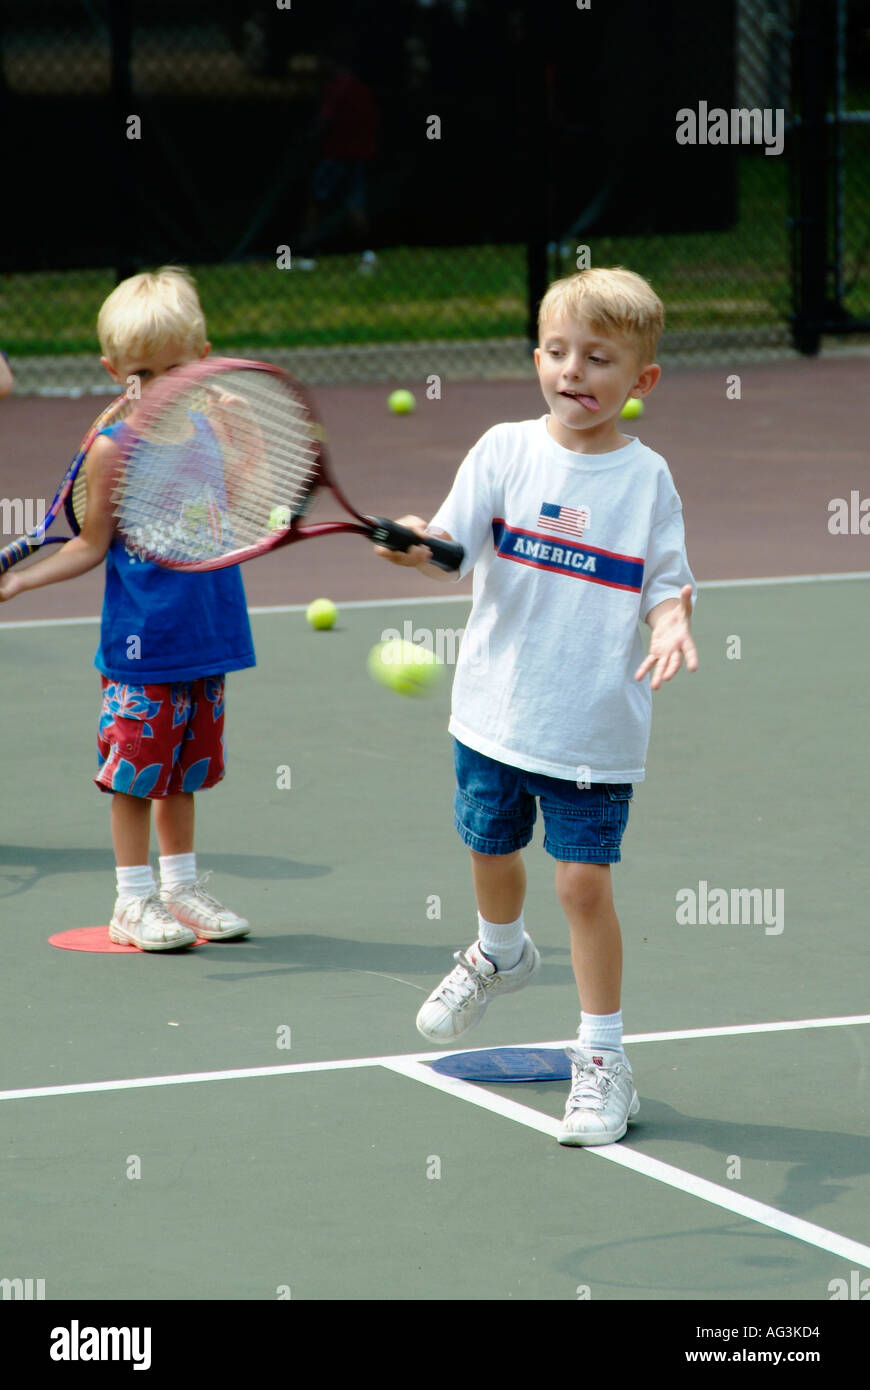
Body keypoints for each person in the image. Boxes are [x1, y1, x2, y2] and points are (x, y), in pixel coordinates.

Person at [375, 266, 698, 1145]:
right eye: (557, 352)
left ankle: (603, 1060)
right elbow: (453, 549)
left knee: (583, 884)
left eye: (599, 358)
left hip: (594, 726)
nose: (573, 372)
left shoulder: (648, 481)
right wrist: (417, 547)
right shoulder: (504, 449)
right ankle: (499, 953)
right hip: (493, 711)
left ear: (641, 382)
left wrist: (670, 624)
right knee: (490, 848)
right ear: (536, 358)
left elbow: (670, 584)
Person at [0, 267, 255, 952]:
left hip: (208, 636)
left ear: (202, 361)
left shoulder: (210, 434)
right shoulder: (113, 451)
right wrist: (23, 583)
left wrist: (242, 432)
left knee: (186, 776)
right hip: (142, 646)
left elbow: (246, 491)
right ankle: (133, 900)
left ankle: (181, 888)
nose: (161, 384)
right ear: (114, 372)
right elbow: (89, 545)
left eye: (175, 368)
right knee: (138, 777)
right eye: (142, 373)